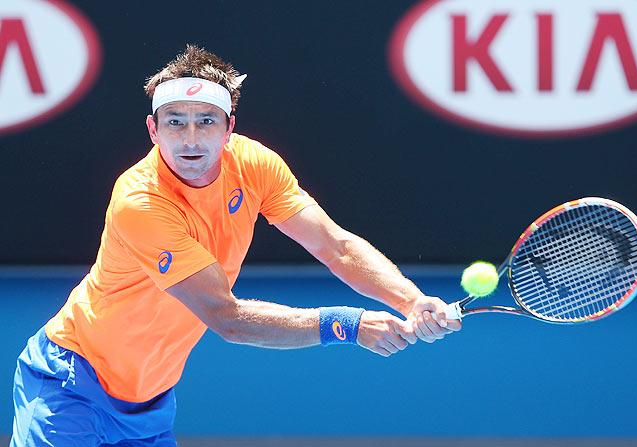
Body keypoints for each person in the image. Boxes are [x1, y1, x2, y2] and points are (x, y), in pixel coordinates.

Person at [10, 45, 462, 447]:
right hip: (69, 384)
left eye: (206, 122)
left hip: (148, 403)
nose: (190, 139)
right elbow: (227, 318)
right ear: (153, 129)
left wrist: (412, 299)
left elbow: (335, 246)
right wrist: (348, 325)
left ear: (229, 129)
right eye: (175, 123)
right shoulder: (139, 201)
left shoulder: (254, 164)